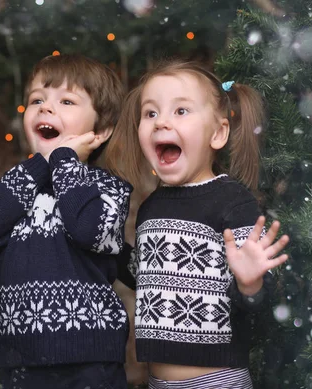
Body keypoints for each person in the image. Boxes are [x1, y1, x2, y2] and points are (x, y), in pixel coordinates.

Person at [105, 59, 290, 389]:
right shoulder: (150, 206)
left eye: (180, 111)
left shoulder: (233, 201)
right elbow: (144, 275)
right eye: (150, 113)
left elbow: (263, 296)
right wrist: (103, 246)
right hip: (157, 381)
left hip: (217, 380)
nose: (161, 122)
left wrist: (250, 283)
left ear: (218, 133)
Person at [0, 54, 132, 389]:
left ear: (100, 131)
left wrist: (64, 160)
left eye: (66, 101)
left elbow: (89, 230)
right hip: (21, 359)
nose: (45, 108)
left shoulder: (107, 188)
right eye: (36, 99)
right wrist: (41, 165)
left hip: (90, 356)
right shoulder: (19, 184)